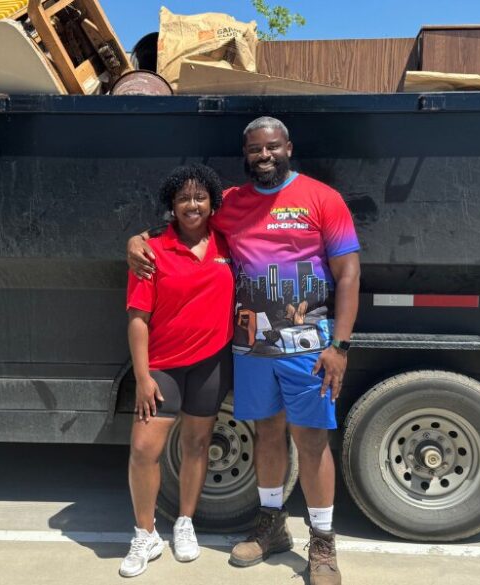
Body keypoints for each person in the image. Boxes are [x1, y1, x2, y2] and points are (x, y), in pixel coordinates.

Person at [128, 117, 361, 585]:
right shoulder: (230, 203)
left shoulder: (323, 198)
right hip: (252, 348)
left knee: (311, 441)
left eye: (272, 146)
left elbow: (349, 272)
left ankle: (322, 542)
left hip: (309, 347)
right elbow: (185, 221)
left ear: (288, 147)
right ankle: (272, 525)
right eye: (255, 149)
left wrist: (340, 344)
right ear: (246, 154)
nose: (264, 155)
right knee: (267, 436)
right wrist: (137, 239)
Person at [120, 164, 234, 578]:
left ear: (212, 203)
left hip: (211, 363)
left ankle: (185, 522)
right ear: (172, 204)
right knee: (143, 449)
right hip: (162, 367)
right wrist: (143, 377)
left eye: (200, 197)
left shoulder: (227, 241)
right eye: (183, 198)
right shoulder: (151, 251)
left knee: (197, 445)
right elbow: (137, 319)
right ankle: (145, 534)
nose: (192, 205)